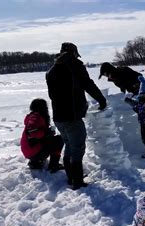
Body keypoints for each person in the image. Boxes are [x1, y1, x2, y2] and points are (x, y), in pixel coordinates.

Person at [46, 42, 107, 189]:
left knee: (69, 145)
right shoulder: (75, 66)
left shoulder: (52, 70)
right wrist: (102, 100)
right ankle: (77, 182)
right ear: (73, 53)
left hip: (58, 117)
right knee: (77, 148)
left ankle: (71, 178)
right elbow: (88, 84)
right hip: (72, 117)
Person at [20, 98, 64, 173]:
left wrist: (47, 133)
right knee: (59, 140)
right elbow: (33, 131)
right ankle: (53, 165)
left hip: (28, 150)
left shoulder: (33, 116)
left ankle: (35, 161)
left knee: (52, 139)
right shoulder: (36, 116)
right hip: (32, 151)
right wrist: (46, 133)